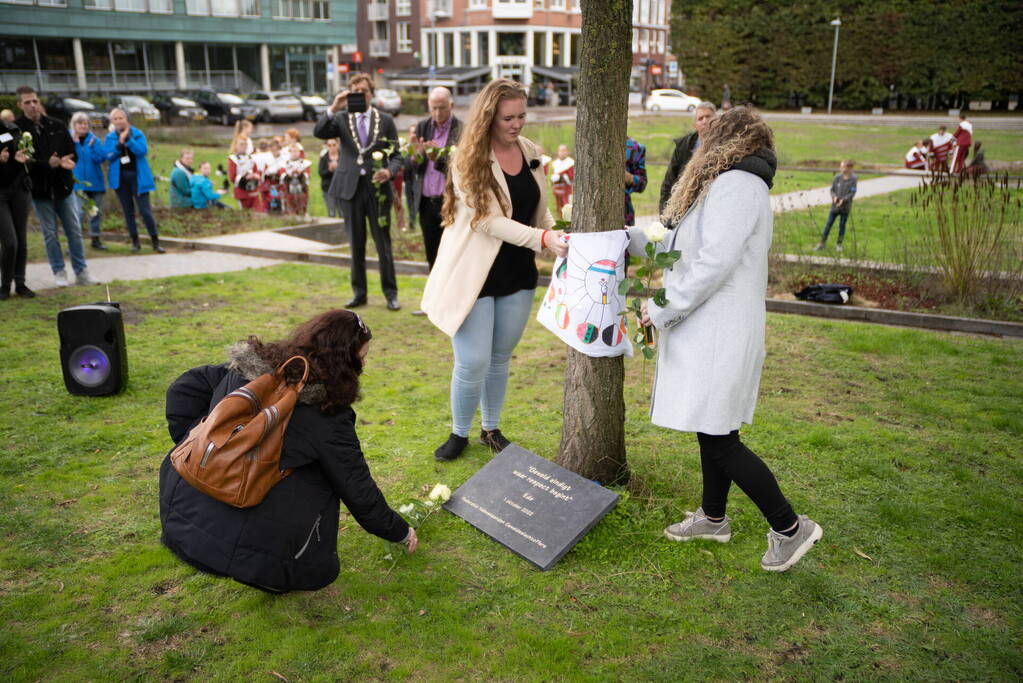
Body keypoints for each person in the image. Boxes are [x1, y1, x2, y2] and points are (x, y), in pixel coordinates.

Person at [632, 106, 822, 573]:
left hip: (719, 328)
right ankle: (714, 518)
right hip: (709, 327)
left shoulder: (738, 185)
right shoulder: (723, 181)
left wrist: (659, 307)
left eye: (707, 136)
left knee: (719, 438)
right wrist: (620, 238)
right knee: (713, 427)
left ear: (726, 140)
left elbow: (712, 264)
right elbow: (677, 244)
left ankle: (790, 527)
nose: (698, 146)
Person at [160, 309, 417, 593]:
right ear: (344, 361)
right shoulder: (327, 417)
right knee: (320, 479)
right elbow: (357, 487)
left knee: (300, 465)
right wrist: (400, 531)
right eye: (362, 357)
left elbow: (183, 391)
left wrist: (202, 444)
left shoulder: (247, 367)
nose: (364, 363)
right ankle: (270, 570)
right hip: (245, 535)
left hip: (182, 506)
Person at [420, 78, 569, 462]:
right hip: (475, 274)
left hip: (518, 272)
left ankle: (491, 427)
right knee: (472, 361)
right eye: (508, 118)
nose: (517, 124)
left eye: (522, 115)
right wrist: (542, 238)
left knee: (500, 357)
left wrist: (554, 233)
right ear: (489, 117)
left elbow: (537, 207)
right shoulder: (467, 158)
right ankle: (458, 433)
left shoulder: (531, 151)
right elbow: (486, 219)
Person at [314, 73, 403, 311]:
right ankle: (359, 293)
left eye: (363, 91)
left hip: (377, 188)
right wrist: (334, 106)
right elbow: (319, 131)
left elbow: (396, 154)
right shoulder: (342, 118)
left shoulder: (385, 120)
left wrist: (389, 171)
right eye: (354, 91)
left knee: (383, 244)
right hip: (350, 189)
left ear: (371, 93)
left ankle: (390, 293)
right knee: (356, 244)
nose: (359, 95)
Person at [15, 85, 96, 287]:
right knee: (50, 234)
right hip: (40, 191)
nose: (33, 105)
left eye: (35, 101)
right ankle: (59, 271)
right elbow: (22, 163)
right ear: (20, 105)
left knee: (74, 230)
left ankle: (81, 271)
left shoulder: (57, 125)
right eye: (27, 102)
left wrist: (68, 162)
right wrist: (46, 164)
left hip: (64, 187)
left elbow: (71, 152)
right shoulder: (17, 130)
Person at [409, 86, 462, 273]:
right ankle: (434, 300)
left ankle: (453, 299)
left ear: (452, 105)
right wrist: (416, 157)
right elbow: (414, 167)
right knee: (431, 254)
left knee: (451, 256)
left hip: (450, 202)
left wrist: (437, 159)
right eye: (433, 108)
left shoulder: (461, 130)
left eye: (442, 108)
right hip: (426, 203)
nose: (437, 113)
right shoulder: (423, 126)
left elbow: (463, 168)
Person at [105, 108, 164, 253]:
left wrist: (128, 140)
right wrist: (119, 143)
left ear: (126, 119)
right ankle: (135, 242)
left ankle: (155, 242)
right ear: (112, 122)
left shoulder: (137, 134)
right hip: (121, 179)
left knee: (145, 211)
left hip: (138, 178)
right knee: (128, 212)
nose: (119, 121)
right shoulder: (110, 138)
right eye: (115, 119)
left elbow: (142, 151)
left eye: (121, 118)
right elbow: (109, 155)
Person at [0, 113, 35, 299]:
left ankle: (20, 283)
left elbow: (26, 157)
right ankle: (5, 285)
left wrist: (22, 158)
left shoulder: (12, 129)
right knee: (9, 241)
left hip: (19, 189)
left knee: (21, 239)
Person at [659, 101, 716, 214]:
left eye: (708, 117)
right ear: (695, 125)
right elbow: (669, 183)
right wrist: (664, 215)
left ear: (717, 120)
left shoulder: (726, 146)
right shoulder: (683, 146)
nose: (705, 121)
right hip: (685, 209)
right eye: (700, 118)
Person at [70, 112, 109, 250]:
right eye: (79, 123)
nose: (83, 126)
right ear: (74, 125)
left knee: (96, 213)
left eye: (85, 123)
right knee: (78, 213)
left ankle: (95, 240)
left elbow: (101, 158)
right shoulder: (69, 140)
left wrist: (92, 148)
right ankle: (75, 243)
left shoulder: (95, 140)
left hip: (96, 183)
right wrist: (73, 144)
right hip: (78, 184)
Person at [814, 160, 857, 252]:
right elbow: (832, 190)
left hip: (845, 208)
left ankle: (839, 244)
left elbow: (852, 193)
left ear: (849, 168)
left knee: (842, 226)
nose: (841, 168)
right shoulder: (837, 178)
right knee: (828, 225)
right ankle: (822, 243)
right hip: (834, 207)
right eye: (840, 167)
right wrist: (834, 197)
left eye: (843, 167)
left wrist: (843, 200)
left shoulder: (853, 179)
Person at [228, 137, 262, 210]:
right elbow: (232, 177)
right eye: (241, 144)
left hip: (253, 190)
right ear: (236, 145)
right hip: (242, 191)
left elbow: (256, 170)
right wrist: (245, 177)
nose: (244, 146)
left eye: (246, 144)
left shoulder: (250, 158)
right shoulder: (233, 159)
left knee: (258, 212)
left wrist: (256, 175)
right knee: (245, 214)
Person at [279, 145, 311, 215]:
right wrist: (289, 174)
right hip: (289, 191)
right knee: (290, 210)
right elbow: (282, 175)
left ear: (299, 152)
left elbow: (307, 175)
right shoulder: (284, 164)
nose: (294, 153)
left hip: (301, 190)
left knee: (302, 209)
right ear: (289, 152)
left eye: (296, 151)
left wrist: (300, 173)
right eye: (292, 151)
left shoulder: (304, 163)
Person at [624, 135, 647, 226]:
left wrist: (630, 178)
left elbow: (642, 183)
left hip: (623, 214)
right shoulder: (589, 143)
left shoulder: (635, 148)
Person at [549, 143, 575, 219]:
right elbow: (550, 176)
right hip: (556, 190)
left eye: (564, 150)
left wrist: (561, 177)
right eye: (560, 150)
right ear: (558, 152)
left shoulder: (570, 163)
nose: (562, 152)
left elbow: (571, 177)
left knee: (567, 209)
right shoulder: (554, 163)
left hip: (567, 191)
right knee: (558, 210)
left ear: (567, 152)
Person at [318, 138, 341, 218]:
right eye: (329, 145)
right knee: (331, 213)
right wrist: (329, 170)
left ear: (338, 145)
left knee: (343, 213)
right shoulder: (324, 157)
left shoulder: (343, 157)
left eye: (334, 145)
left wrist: (338, 168)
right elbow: (321, 173)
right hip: (328, 188)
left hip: (341, 188)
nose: (332, 147)